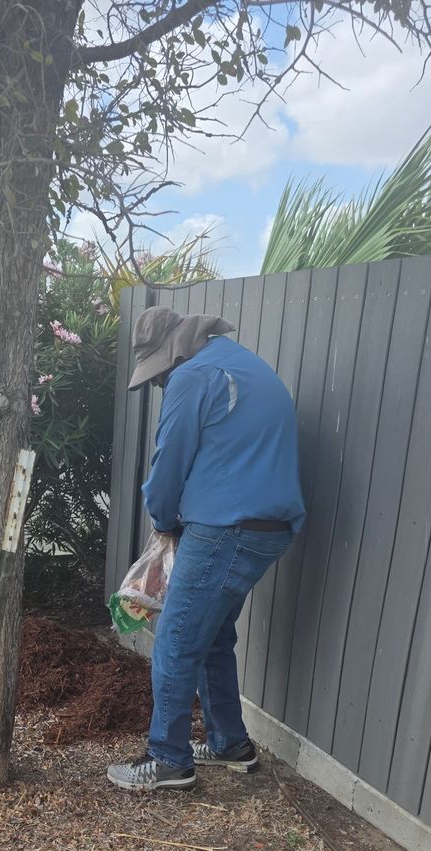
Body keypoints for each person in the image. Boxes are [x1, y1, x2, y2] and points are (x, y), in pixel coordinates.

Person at [108, 306, 305, 792]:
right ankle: (229, 744)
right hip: (266, 526)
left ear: (171, 355)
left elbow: (168, 464)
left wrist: (161, 522)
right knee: (212, 634)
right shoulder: (240, 363)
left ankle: (168, 760)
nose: (157, 384)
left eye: (157, 376)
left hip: (226, 527)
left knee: (175, 638)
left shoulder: (193, 377)